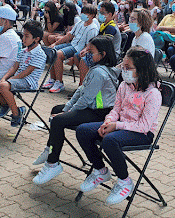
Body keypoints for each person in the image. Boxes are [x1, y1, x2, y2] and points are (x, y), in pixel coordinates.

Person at [75, 47, 161, 205]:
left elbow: (143, 126)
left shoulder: (153, 93)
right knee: (83, 130)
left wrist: (116, 126)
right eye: (124, 66)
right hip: (119, 125)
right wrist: (108, 121)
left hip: (141, 133)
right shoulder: (125, 86)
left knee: (110, 141)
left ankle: (124, 181)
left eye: (128, 68)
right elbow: (116, 109)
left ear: (141, 70)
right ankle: (100, 169)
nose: (124, 71)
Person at [32, 36, 118, 185]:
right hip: (90, 108)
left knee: (58, 120)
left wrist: (67, 113)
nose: (85, 54)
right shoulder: (95, 69)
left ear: (102, 55)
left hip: (99, 113)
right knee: (56, 109)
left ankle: (52, 163)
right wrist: (66, 109)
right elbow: (80, 91)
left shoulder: (100, 73)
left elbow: (85, 99)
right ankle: (50, 148)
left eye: (90, 51)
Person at [0, 20, 46, 127]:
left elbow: (27, 72)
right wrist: (4, 78)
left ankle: (16, 113)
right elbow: (14, 67)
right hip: (16, 78)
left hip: (28, 82)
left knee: (3, 86)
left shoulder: (40, 54)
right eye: (23, 36)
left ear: (36, 39)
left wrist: (8, 81)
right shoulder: (23, 51)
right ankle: (4, 103)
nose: (23, 39)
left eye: (26, 36)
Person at [43, 5, 99, 93]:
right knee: (51, 50)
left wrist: (82, 52)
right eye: (83, 12)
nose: (83, 14)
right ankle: (52, 79)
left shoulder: (93, 28)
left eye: (86, 13)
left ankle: (59, 82)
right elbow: (69, 36)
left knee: (58, 54)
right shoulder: (80, 23)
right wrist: (55, 43)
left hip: (78, 48)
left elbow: (89, 45)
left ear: (92, 15)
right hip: (72, 44)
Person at [76, 2, 121, 83]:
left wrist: (89, 51)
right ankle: (88, 80)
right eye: (100, 12)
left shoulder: (111, 28)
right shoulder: (104, 25)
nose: (100, 15)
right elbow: (96, 39)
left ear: (110, 14)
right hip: (101, 51)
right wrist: (87, 49)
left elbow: (105, 45)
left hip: (110, 55)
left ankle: (82, 85)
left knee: (84, 60)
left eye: (103, 13)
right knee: (77, 56)